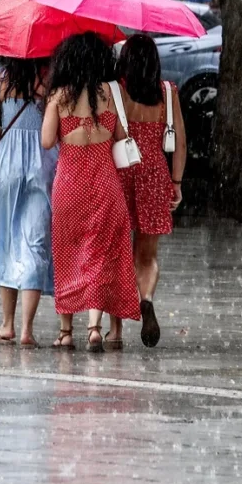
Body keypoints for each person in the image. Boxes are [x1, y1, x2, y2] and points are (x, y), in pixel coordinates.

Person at [41, 32, 140, 352]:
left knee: (67, 253)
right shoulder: (111, 94)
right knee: (99, 254)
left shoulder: (59, 96)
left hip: (69, 186)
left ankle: (66, 331)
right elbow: (121, 135)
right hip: (105, 185)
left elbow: (46, 141)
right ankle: (95, 328)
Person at [105, 35, 186, 349]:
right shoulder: (167, 92)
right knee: (147, 256)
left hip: (121, 173)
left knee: (116, 253)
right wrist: (176, 182)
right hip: (154, 175)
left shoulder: (116, 91)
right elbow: (180, 142)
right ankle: (147, 299)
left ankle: (115, 330)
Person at [0, 57, 58, 348]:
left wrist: (9, 136)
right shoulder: (49, 80)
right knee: (35, 243)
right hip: (43, 162)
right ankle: (27, 328)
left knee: (7, 241)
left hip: (7, 163)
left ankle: (7, 324)